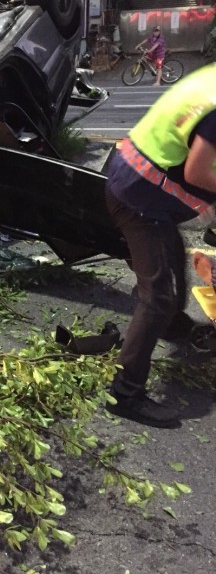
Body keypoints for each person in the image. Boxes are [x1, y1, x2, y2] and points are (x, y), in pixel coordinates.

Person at [105, 63, 216, 428]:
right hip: (140, 198)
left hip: (138, 181)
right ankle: (124, 393)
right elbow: (197, 172)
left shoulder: (211, 76)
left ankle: (174, 328)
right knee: (159, 295)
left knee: (172, 270)